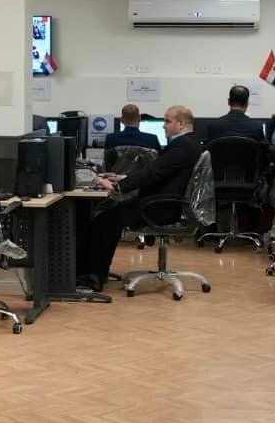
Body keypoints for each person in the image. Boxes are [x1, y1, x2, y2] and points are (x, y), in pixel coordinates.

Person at [77, 105, 204, 289]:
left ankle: (93, 277)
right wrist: (122, 178)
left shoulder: (182, 146)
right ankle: (97, 273)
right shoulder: (190, 143)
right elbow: (156, 171)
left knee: (104, 220)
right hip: (166, 203)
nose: (163, 126)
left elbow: (152, 173)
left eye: (167, 121)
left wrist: (117, 186)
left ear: (181, 124)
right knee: (109, 218)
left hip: (160, 207)